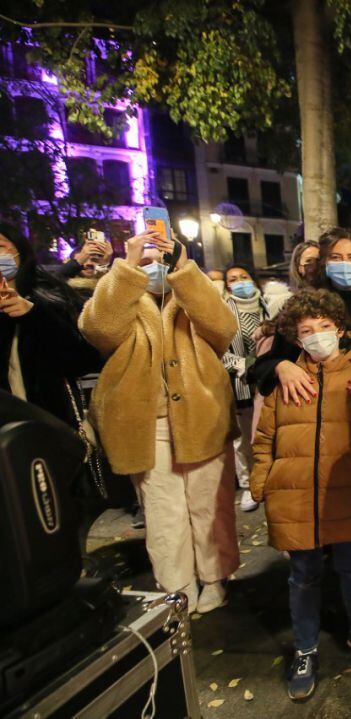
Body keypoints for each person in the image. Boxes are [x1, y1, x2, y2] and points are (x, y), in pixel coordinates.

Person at [79, 230, 240, 614]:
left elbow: (223, 327)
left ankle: (215, 577)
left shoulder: (189, 293)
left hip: (203, 416)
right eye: (145, 258)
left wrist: (184, 269)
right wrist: (127, 266)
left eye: (159, 257)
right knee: (162, 510)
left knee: (209, 505)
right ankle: (177, 586)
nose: (154, 266)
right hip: (146, 424)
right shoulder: (120, 295)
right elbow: (97, 329)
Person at [249, 289, 351, 701]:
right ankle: (305, 648)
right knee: (304, 576)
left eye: (325, 327)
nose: (317, 336)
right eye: (307, 330)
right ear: (295, 337)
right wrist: (263, 484)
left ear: (340, 329)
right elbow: (264, 440)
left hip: (347, 495)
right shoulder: (284, 379)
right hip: (294, 497)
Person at [248, 228, 351, 409]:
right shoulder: (304, 308)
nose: (345, 264)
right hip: (312, 413)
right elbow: (262, 365)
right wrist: (281, 366)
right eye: (336, 257)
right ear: (323, 263)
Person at [0, 222, 101, 426]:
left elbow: (84, 360)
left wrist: (32, 315)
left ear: (19, 251)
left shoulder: (51, 297)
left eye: (0, 247)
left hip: (50, 431)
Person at [222, 264, 287, 512]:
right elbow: (218, 350)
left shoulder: (270, 305)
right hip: (241, 383)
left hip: (271, 379)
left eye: (244, 277)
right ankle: (250, 484)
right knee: (247, 439)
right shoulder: (223, 311)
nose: (239, 282)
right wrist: (245, 365)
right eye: (233, 279)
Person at [58, 233, 113, 301]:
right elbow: (53, 283)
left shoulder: (108, 285)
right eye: (84, 260)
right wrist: (79, 260)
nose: (89, 263)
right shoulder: (67, 290)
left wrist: (104, 263)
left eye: (94, 260)